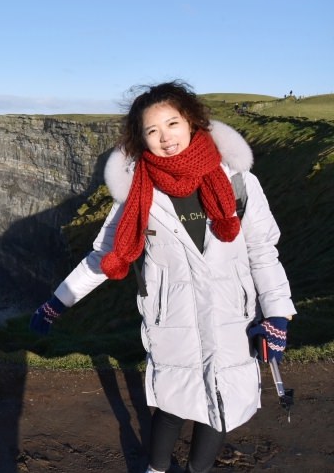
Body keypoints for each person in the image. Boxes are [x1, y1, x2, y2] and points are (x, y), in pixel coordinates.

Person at [30, 81, 296, 473]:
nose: (165, 137)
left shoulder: (238, 182)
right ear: (141, 139)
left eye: (172, 123)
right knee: (171, 407)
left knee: (217, 408)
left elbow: (261, 251)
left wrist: (277, 313)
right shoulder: (139, 194)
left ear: (192, 121)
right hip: (173, 324)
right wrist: (57, 302)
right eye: (152, 131)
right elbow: (105, 256)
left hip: (232, 321)